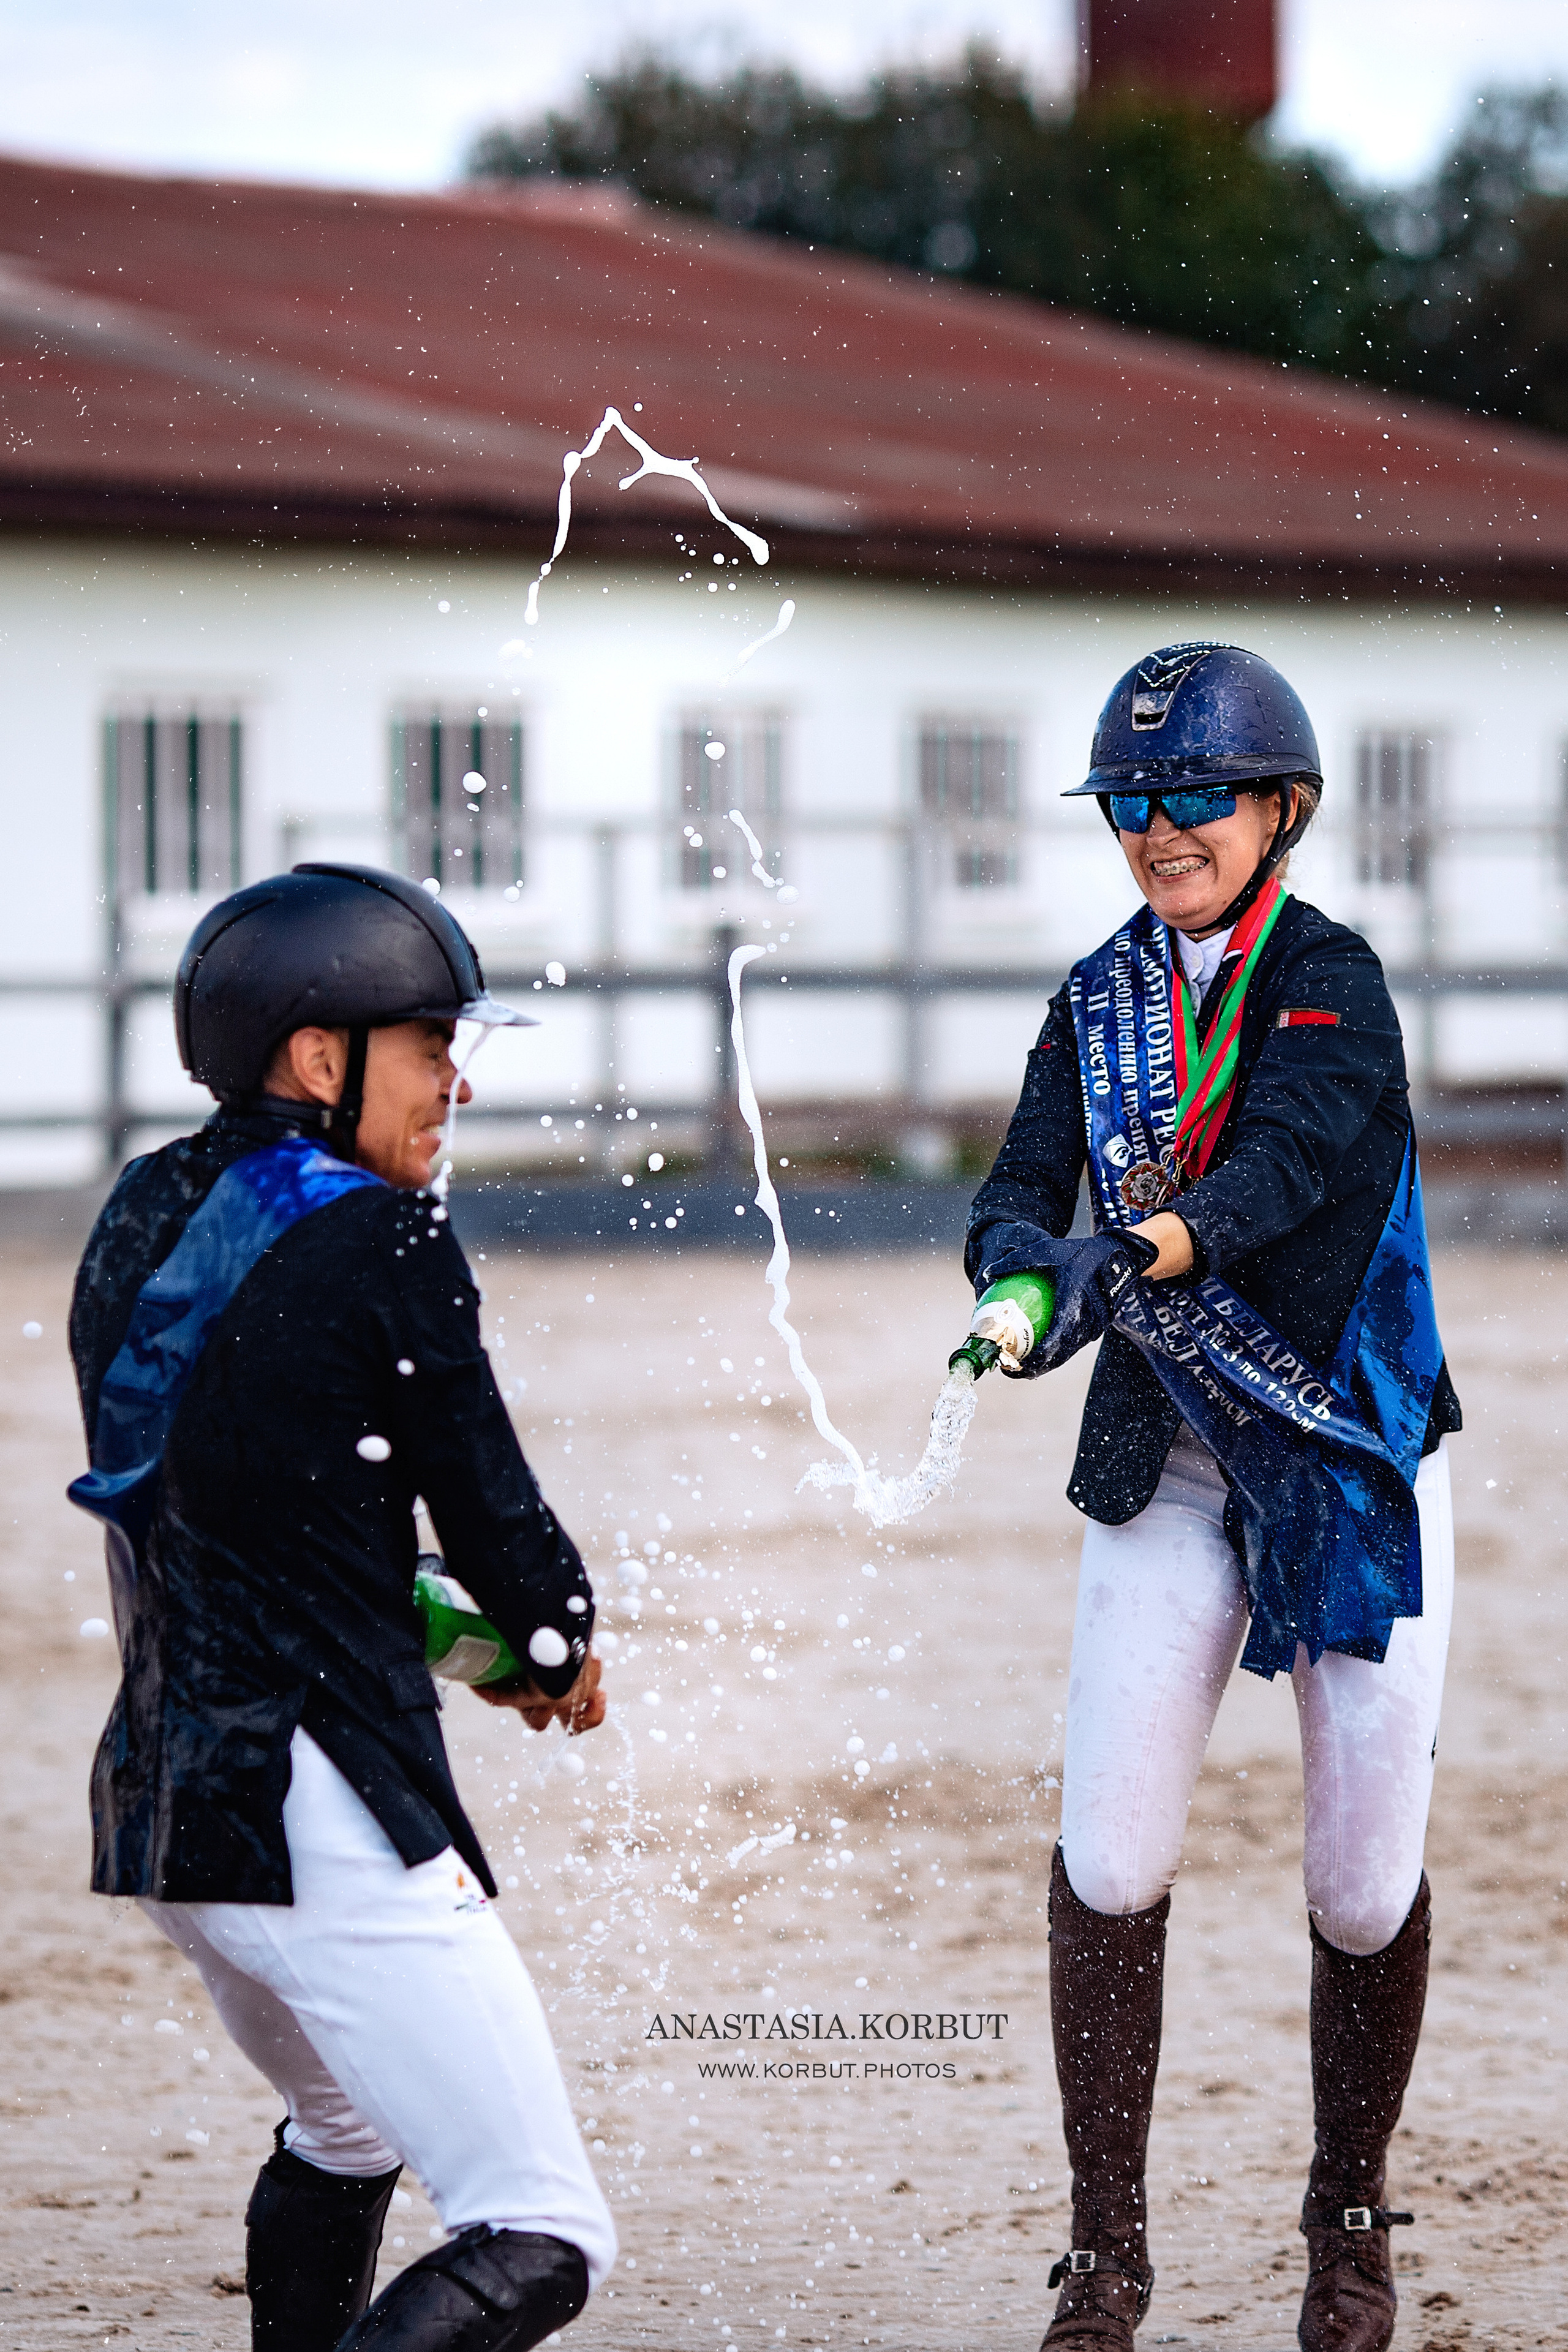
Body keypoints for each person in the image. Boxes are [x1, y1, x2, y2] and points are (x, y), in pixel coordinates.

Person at [965, 645, 1461, 2352]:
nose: (1161, 831)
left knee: (1360, 1887)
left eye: (1195, 799)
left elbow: (1288, 1168)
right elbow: (1023, 1180)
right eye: (1134, 805)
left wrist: (1135, 1249)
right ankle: (1107, 2258)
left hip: (1350, 1450)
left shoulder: (1336, 982)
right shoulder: (1092, 999)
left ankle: (1346, 2219)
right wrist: (1015, 1279)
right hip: (1165, 1452)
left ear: (1280, 809)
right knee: (1110, 1852)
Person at [67, 864, 616, 2352]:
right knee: (544, 2228)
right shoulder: (384, 1236)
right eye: (431, 1048)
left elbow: (254, 1509)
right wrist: (553, 1645)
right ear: (322, 1060)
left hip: (172, 1801)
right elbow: (499, 1519)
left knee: (346, 2130)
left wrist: (451, 1625)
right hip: (321, 1815)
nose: (454, 1084)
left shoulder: (141, 1208)